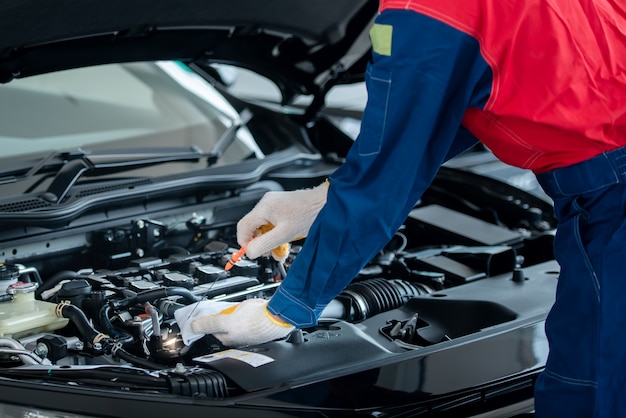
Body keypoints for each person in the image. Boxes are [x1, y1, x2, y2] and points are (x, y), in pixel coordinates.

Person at [191, 1, 626, 416]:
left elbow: (388, 173)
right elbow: (464, 101)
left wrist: (284, 309)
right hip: (605, 182)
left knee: (590, 387)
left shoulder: (422, 13)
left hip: (613, 198)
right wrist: (325, 196)